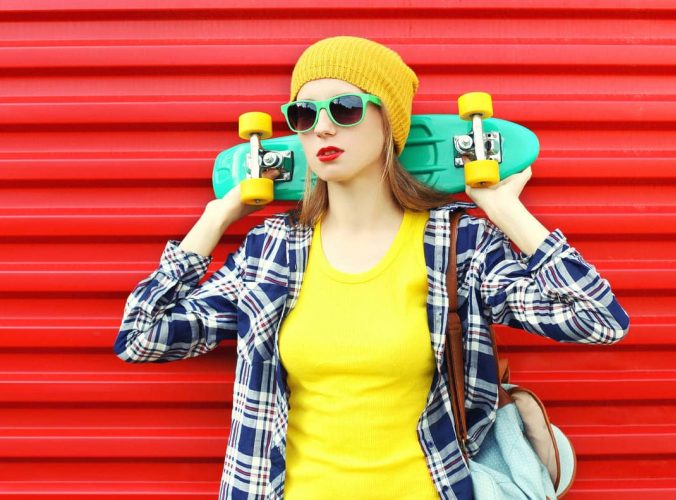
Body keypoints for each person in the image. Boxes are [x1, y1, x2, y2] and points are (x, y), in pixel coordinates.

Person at [114, 36, 630, 500]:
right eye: (303, 115)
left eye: (344, 108)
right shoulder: (271, 251)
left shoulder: (456, 246)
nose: (321, 128)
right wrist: (217, 215)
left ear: (392, 123)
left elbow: (597, 319)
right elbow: (142, 335)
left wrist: (504, 210)